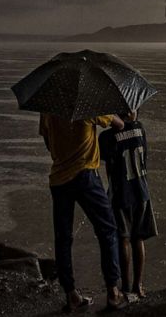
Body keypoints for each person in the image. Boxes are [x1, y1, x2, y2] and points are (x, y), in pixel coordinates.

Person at [40, 112, 130, 312]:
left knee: (63, 238)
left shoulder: (48, 108)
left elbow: (48, 143)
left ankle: (71, 294)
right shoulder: (87, 104)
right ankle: (113, 292)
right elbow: (119, 124)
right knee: (107, 230)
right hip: (85, 174)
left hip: (58, 178)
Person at [99, 110, 158, 298]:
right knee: (138, 239)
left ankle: (124, 286)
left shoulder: (107, 137)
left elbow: (109, 166)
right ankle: (138, 285)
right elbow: (144, 161)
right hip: (141, 191)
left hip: (121, 193)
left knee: (123, 239)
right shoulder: (140, 129)